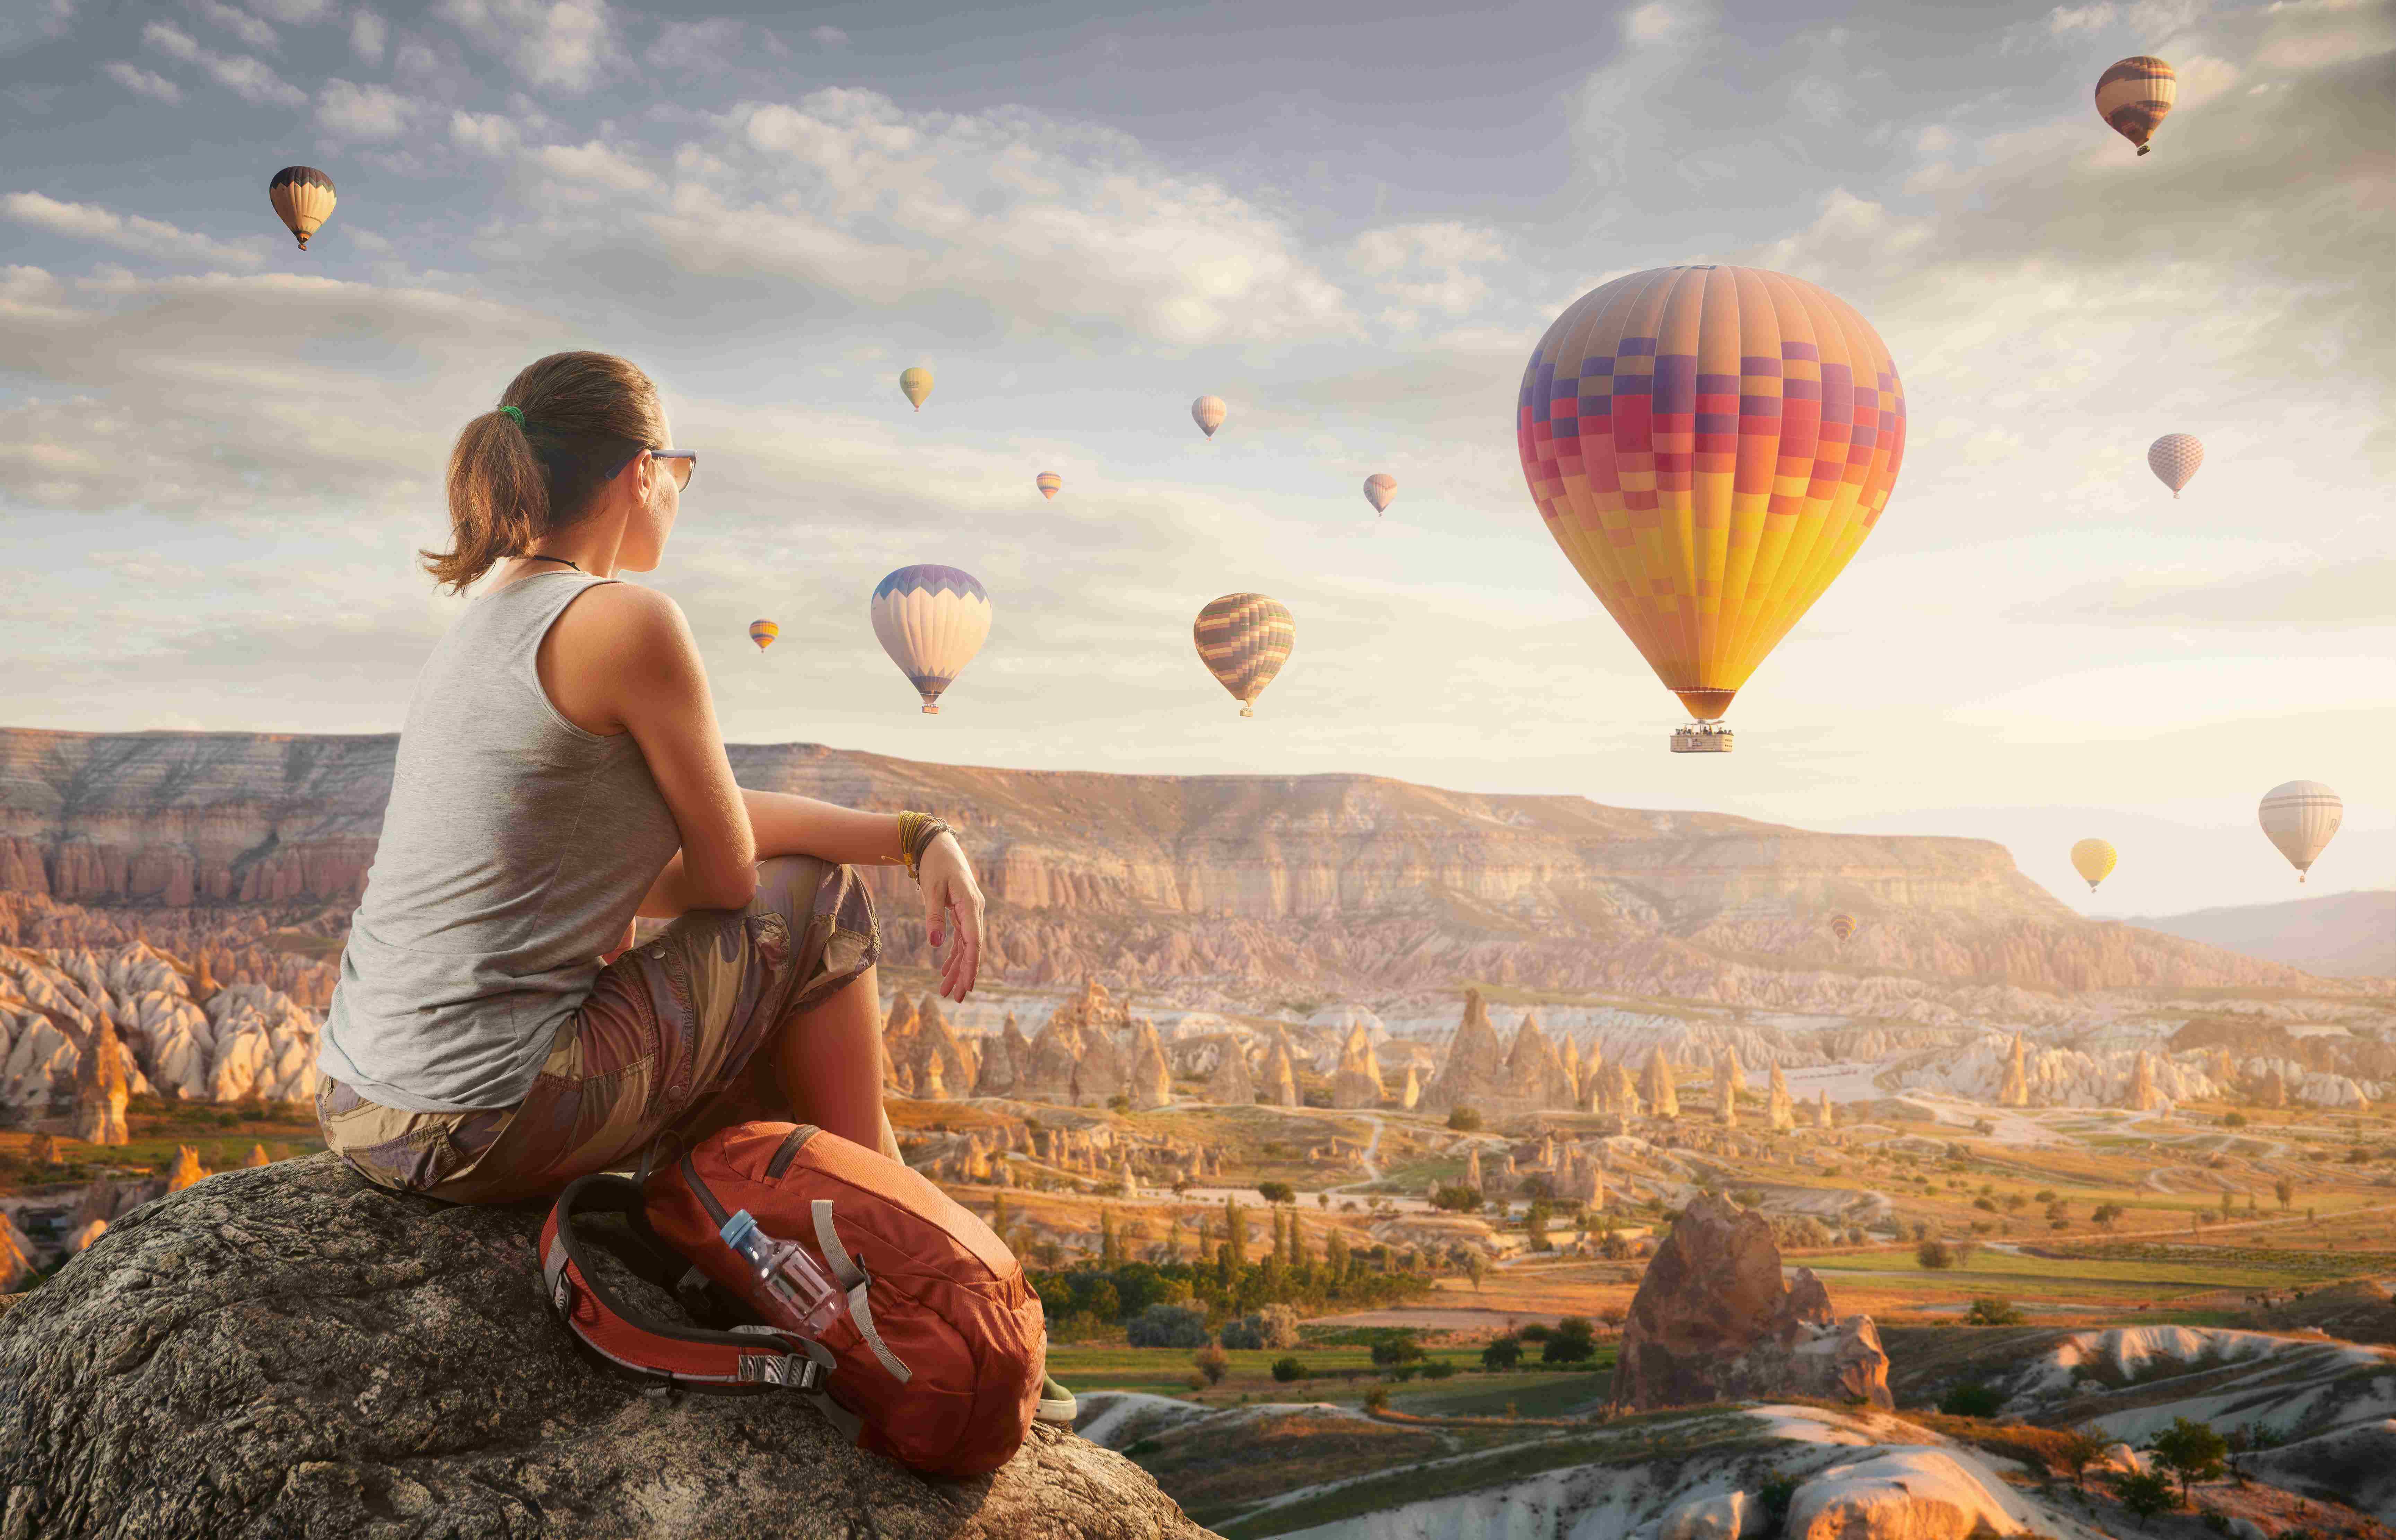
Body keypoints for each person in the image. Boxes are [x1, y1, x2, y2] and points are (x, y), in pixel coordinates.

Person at [315, 350, 985, 1205]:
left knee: (778, 921)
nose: (679, 491)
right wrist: (897, 843)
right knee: (822, 897)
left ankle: (887, 1207)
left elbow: (666, 849)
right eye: (683, 472)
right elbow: (728, 871)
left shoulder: (483, 626)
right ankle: (886, 1223)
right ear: (642, 473)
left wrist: (914, 834)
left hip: (361, 1102)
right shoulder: (630, 621)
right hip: (483, 1120)